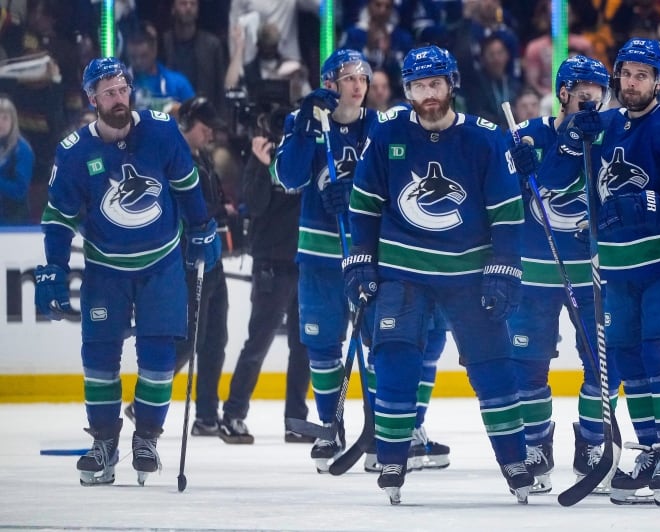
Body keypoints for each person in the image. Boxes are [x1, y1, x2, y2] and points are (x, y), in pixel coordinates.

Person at [345, 44, 531, 504]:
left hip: (469, 274)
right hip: (402, 271)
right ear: (408, 90)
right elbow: (364, 205)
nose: (428, 94)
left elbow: (508, 215)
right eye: (419, 86)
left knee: (494, 367)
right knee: (394, 360)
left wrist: (504, 269)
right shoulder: (388, 135)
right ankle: (391, 457)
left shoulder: (485, 139)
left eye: (435, 84)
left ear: (452, 85)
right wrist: (358, 259)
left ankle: (515, 460)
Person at [34, 57, 221, 487]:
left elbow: (187, 183)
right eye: (108, 93)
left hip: (162, 264)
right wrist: (53, 269)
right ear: (92, 99)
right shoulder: (75, 151)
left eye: (122, 90)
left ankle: (147, 439)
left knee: (158, 358)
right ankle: (103, 443)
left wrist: (202, 227)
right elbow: (58, 217)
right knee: (99, 358)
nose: (119, 99)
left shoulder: (159, 131)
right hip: (106, 271)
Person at [569, 38, 660, 506]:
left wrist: (650, 203)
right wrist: (563, 143)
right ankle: (652, 450)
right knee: (631, 362)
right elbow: (572, 181)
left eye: (642, 75)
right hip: (620, 267)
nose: (632, 83)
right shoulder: (603, 125)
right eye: (626, 74)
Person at [506, 55, 621, 496]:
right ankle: (535, 446)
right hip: (534, 271)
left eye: (598, 88)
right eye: (583, 87)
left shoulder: (610, 135)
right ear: (563, 92)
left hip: (591, 270)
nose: (592, 95)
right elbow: (516, 189)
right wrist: (514, 167)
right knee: (527, 364)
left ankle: (591, 444)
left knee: (602, 361)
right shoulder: (530, 135)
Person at [275, 48, 379, 472]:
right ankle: (330, 425)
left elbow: (395, 191)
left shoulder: (382, 127)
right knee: (321, 346)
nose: (357, 85)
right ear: (329, 84)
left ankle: (385, 429)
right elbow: (288, 177)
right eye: (348, 78)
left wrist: (354, 197)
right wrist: (301, 129)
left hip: (369, 255)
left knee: (383, 344)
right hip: (319, 256)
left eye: (363, 78)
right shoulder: (305, 124)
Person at [217, 128, 314, 445]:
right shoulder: (260, 162)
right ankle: (232, 414)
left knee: (303, 348)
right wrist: (259, 163)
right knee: (258, 342)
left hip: (303, 261)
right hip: (272, 264)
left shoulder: (302, 159)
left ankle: (296, 420)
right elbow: (254, 206)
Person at [173, 96, 234, 436]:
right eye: (204, 128)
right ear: (186, 125)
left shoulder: (204, 158)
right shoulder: (177, 160)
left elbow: (213, 202)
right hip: (188, 259)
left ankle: (207, 414)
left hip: (212, 260)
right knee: (188, 340)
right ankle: (146, 398)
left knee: (214, 339)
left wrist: (224, 210)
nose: (209, 134)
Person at [0, 95, 34, 224]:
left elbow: (20, 190)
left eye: (5, 118)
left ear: (13, 121)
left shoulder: (22, 149)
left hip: (13, 222)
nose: (0, 123)